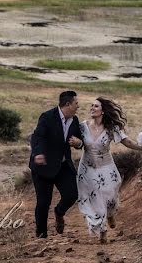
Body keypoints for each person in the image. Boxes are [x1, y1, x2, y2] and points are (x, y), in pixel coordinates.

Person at [76, 96, 142, 244]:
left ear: (103, 111)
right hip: (87, 169)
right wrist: (75, 143)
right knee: (94, 199)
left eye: (96, 106)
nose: (92, 108)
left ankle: (110, 214)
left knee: (110, 198)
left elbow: (126, 141)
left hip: (107, 167)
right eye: (91, 106)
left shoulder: (111, 128)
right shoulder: (82, 127)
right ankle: (102, 230)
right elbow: (75, 142)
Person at [28, 90, 85, 238]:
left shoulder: (75, 120)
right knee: (43, 203)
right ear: (67, 104)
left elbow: (79, 140)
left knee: (72, 194)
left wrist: (79, 143)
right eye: (76, 103)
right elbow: (37, 137)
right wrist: (38, 153)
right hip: (43, 166)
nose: (78, 106)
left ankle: (59, 212)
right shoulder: (47, 117)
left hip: (63, 166)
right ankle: (41, 236)